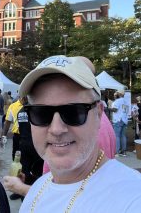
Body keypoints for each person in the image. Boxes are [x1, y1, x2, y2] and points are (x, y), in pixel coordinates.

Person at [12, 55, 141, 213]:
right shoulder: (40, 186)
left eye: (74, 112)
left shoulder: (132, 197)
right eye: (40, 113)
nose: (56, 129)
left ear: (99, 114)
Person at [111, 90, 129, 156]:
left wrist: (109, 108)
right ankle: (124, 152)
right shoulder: (126, 101)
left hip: (118, 120)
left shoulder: (117, 101)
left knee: (117, 136)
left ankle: (117, 152)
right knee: (123, 136)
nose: (116, 94)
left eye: (117, 93)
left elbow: (115, 110)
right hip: (124, 120)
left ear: (120, 94)